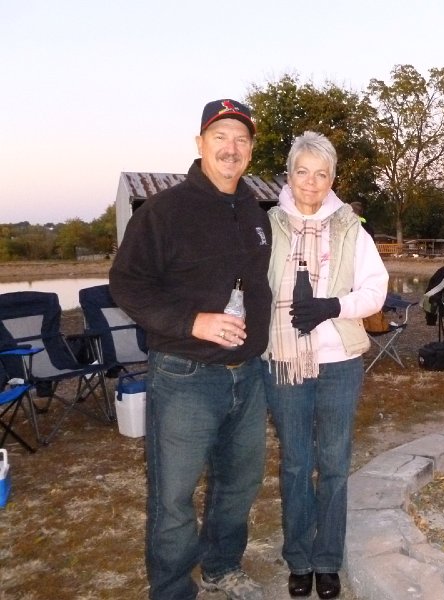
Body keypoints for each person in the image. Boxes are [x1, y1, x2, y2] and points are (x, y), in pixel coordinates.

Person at [109, 99, 272, 600]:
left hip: (248, 373)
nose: (231, 148)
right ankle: (173, 589)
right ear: (200, 143)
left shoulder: (255, 211)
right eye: (220, 137)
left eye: (241, 139)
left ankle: (222, 567)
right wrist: (193, 322)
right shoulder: (164, 211)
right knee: (174, 497)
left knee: (239, 485)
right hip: (185, 377)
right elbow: (126, 284)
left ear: (250, 151)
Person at [263, 131, 388, 599]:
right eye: (302, 172)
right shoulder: (269, 226)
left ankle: (328, 560)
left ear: (332, 178)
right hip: (283, 364)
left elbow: (375, 290)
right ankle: (299, 559)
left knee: (334, 464)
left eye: (321, 174)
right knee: (296, 464)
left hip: (339, 364)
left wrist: (333, 306)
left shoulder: (351, 228)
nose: (311, 183)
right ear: (289, 175)